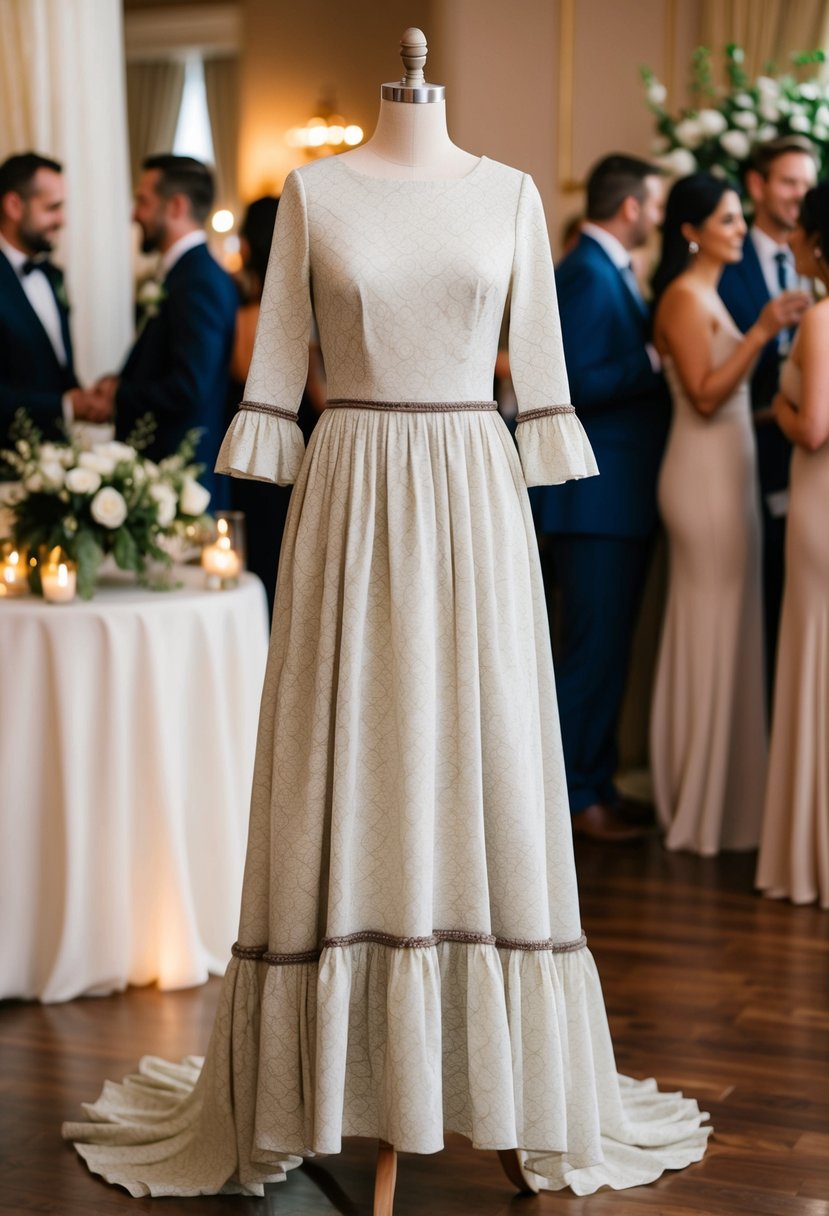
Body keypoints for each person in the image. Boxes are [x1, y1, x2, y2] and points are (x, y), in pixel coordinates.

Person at [64, 33, 710, 1202]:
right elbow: (279, 376)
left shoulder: (511, 195)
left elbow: (544, 381)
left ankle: (487, 1074)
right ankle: (329, 1077)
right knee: (345, 749)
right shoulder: (312, 194)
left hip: (472, 485)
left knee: (486, 750)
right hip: (350, 488)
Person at [649, 173, 809, 856]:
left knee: (730, 630)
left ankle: (726, 802)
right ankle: (698, 802)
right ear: (689, 231)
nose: (740, 229)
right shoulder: (684, 298)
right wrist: (765, 330)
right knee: (708, 631)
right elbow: (708, 395)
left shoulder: (707, 293)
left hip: (730, 470)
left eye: (741, 219)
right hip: (701, 479)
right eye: (725, 220)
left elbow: (742, 402)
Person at [532, 154, 668, 842]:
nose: (660, 217)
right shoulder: (585, 272)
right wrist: (653, 361)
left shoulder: (603, 269)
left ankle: (597, 784)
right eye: (656, 204)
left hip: (614, 498)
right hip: (595, 501)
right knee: (589, 653)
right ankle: (574, 798)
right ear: (630, 207)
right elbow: (573, 381)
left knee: (605, 651)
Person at [719, 137, 818, 690]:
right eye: (788, 182)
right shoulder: (724, 263)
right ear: (757, 186)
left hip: (807, 455)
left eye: (807, 183)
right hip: (744, 451)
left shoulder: (814, 263)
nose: (799, 195)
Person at [756, 181, 829, 908]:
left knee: (814, 656)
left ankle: (813, 851)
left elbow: (811, 428)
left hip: (819, 502)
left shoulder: (821, 321)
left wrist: (776, 403)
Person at [90, 155, 238, 506]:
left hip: (182, 482)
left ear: (175, 206)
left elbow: (189, 388)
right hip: (167, 479)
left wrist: (118, 396)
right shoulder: (183, 274)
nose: (134, 214)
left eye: (143, 201)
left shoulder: (198, 280)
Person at [228, 195, 325, 612]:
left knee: (258, 561)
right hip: (296, 454)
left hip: (251, 455)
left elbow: (238, 377)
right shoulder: (301, 313)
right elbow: (320, 396)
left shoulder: (242, 313)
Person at [0, 152, 101, 469]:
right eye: (52, 208)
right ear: (14, 206)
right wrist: (66, 406)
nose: (62, 220)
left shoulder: (53, 275)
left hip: (56, 463)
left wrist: (89, 395)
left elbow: (54, 366)